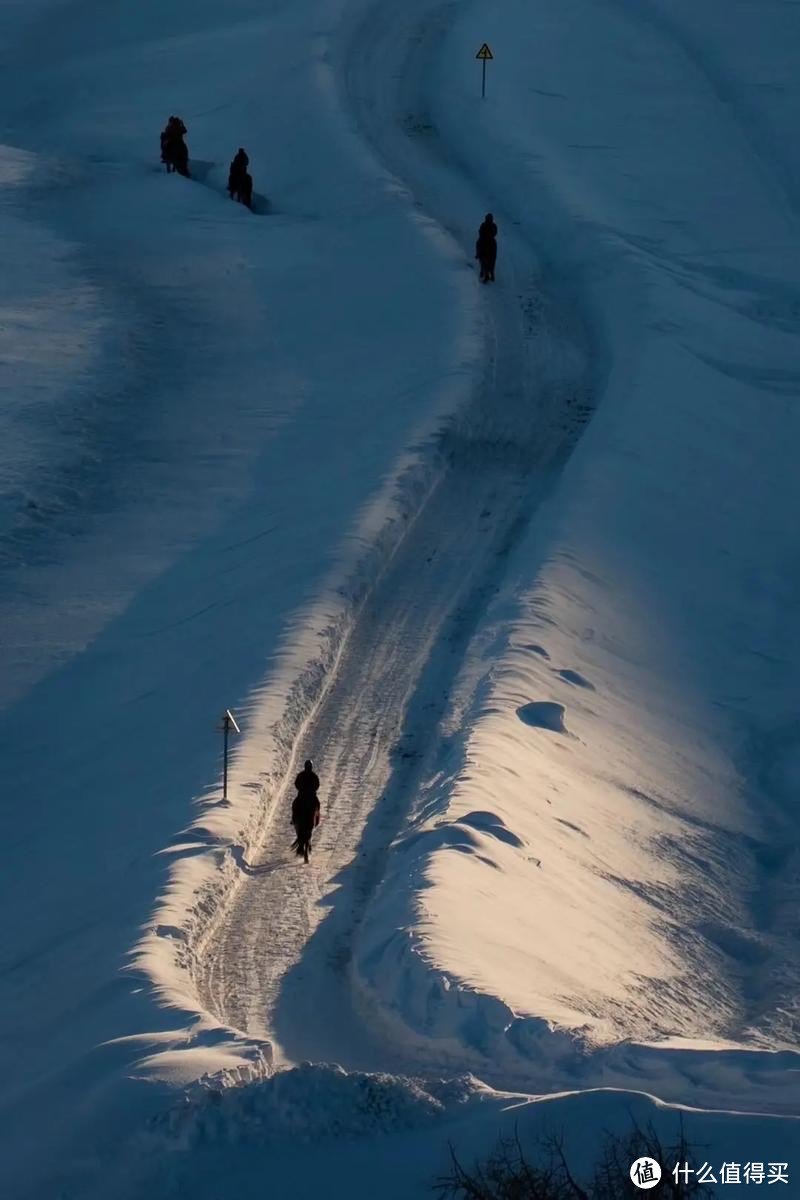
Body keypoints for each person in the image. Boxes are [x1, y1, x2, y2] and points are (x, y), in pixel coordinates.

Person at [291, 759, 321, 864]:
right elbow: (317, 785)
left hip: (302, 796)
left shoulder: (301, 775)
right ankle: (316, 818)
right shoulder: (314, 776)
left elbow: (296, 784)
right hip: (311, 796)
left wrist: (302, 790)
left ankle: (294, 818)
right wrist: (311, 790)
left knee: (295, 804)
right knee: (317, 805)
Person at [475, 212, 498, 282]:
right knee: (478, 244)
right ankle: (486, 271)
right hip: (485, 240)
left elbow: (495, 233)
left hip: (489, 241)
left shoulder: (493, 226)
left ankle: (490, 273)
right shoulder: (484, 225)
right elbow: (480, 232)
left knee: (491, 259)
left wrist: (487, 235)